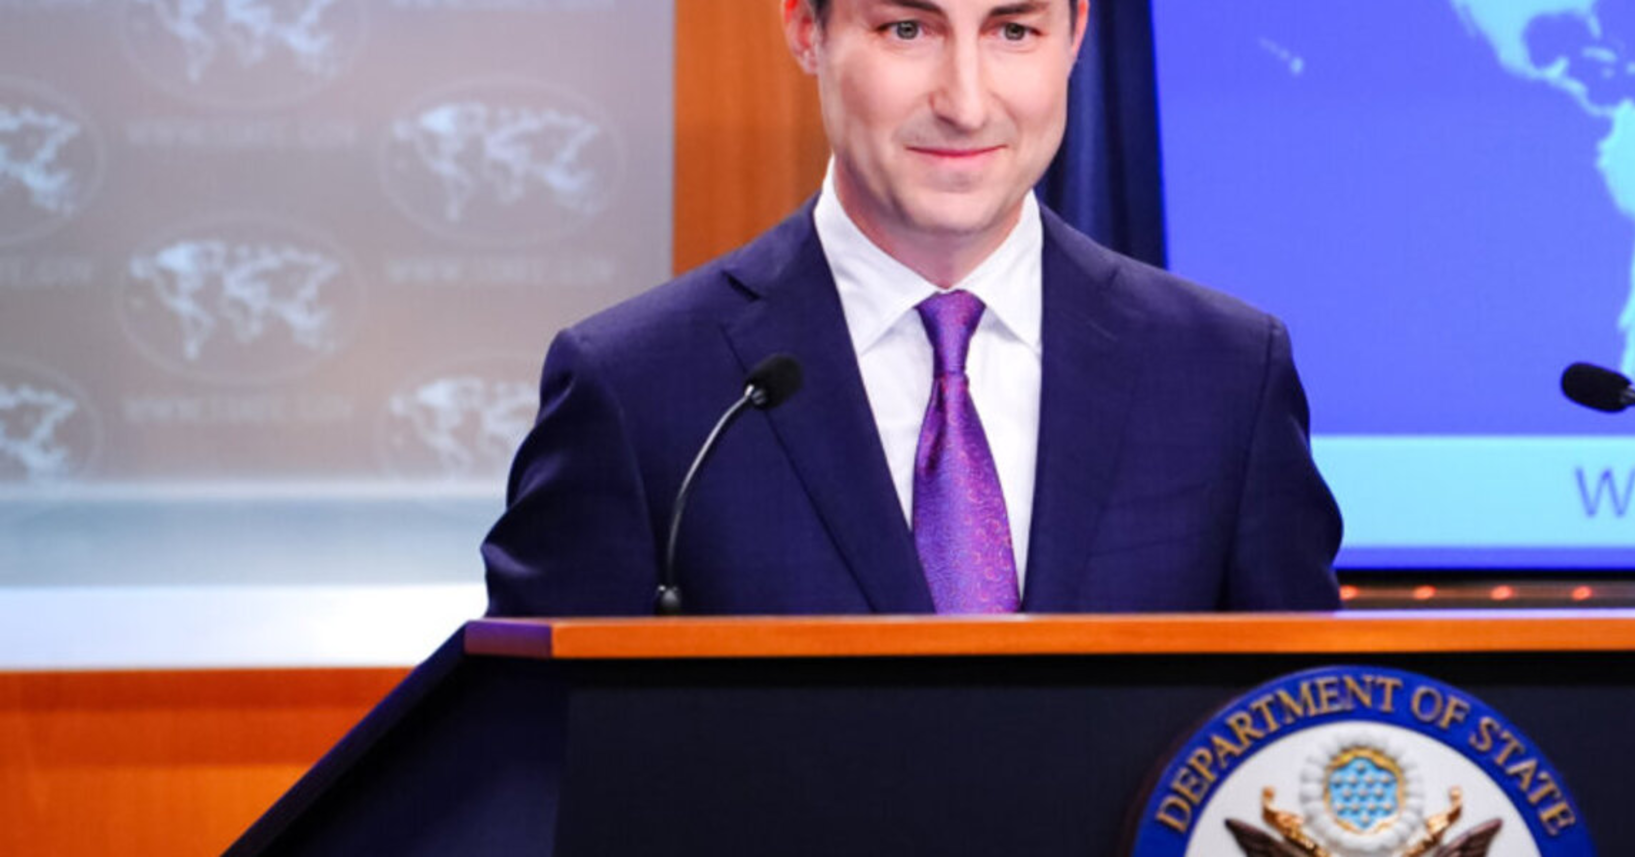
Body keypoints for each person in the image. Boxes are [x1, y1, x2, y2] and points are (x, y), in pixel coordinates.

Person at [481, 0, 1341, 616]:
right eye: (907, 29)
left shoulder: (1225, 376)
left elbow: (1298, 739)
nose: (965, 103)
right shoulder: (638, 387)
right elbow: (538, 759)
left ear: (1076, 34)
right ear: (806, 30)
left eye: (1013, 31)